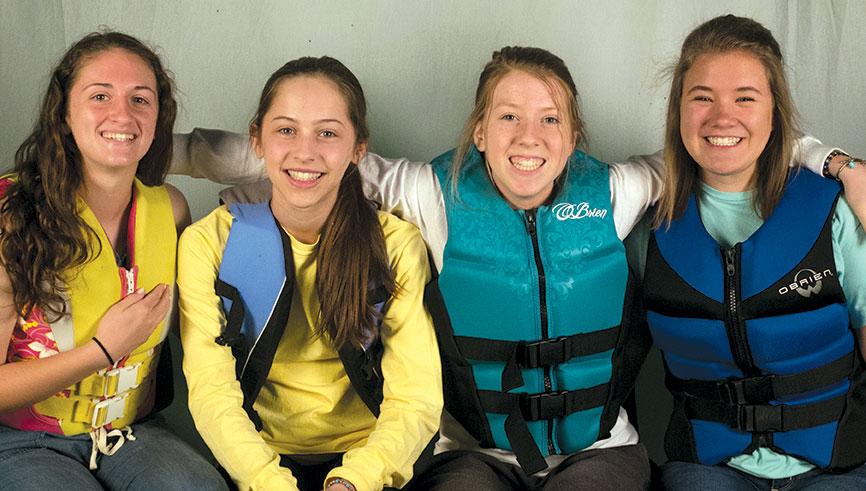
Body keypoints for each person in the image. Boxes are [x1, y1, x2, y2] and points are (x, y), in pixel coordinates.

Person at [170, 47, 852, 490]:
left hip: (597, 449)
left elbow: (720, 141)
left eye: (550, 119)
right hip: (473, 449)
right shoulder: (428, 193)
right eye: (508, 117)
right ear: (479, 130)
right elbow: (307, 154)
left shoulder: (619, 191)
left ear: (574, 135)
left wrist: (831, 159)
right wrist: (157, 150)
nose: (529, 137)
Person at [177, 56, 442, 491]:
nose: (305, 151)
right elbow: (211, 390)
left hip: (373, 456)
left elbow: (415, 396)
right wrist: (269, 481)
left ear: (358, 149)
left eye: (328, 133)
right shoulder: (209, 243)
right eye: (286, 130)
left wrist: (356, 480)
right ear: (257, 140)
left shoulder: (395, 244)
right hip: (258, 459)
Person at [626, 14, 866, 490]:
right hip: (708, 468)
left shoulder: (835, 212)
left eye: (745, 98)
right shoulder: (643, 229)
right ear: (678, 109)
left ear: (774, 109)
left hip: (840, 464)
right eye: (702, 98)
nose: (722, 118)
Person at [0, 31, 226, 490]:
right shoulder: (9, 215)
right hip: (23, 439)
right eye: (100, 96)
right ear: (64, 114)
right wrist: (99, 351)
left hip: (132, 434)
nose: (122, 115)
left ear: (158, 117)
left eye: (140, 99)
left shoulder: (173, 210)